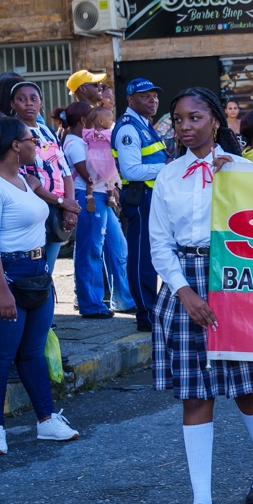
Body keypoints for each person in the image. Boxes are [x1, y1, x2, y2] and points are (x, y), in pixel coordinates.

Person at [150, 88, 253, 504]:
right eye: (179, 119)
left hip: (232, 278)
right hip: (184, 284)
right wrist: (184, 291)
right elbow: (159, 243)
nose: (186, 126)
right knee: (195, 394)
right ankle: (201, 500)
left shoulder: (241, 168)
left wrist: (239, 180)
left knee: (246, 385)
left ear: (214, 121)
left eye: (195, 117)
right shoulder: (167, 176)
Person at [0, 117, 81, 455]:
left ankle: (46, 421)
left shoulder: (24, 180)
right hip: (2, 273)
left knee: (32, 352)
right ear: (16, 145)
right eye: (32, 139)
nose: (38, 144)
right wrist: (1, 290)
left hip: (36, 270)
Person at [114, 78, 166, 333]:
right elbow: (130, 169)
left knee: (153, 255)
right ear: (131, 99)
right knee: (141, 257)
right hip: (139, 197)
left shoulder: (143, 124)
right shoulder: (128, 128)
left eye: (155, 96)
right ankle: (145, 313)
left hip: (151, 197)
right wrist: (167, 168)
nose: (153, 100)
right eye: (146, 96)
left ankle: (153, 308)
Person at [9, 81, 78, 271]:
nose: (28, 103)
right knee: (33, 270)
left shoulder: (47, 131)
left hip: (57, 209)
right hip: (32, 210)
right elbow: (24, 179)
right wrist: (61, 202)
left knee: (49, 267)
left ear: (40, 103)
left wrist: (69, 206)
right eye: (21, 99)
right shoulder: (12, 133)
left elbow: (64, 170)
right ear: (12, 104)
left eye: (33, 99)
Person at [62, 103, 116, 319]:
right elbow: (89, 175)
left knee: (93, 247)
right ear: (84, 121)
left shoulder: (83, 141)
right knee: (89, 249)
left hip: (95, 196)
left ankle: (93, 300)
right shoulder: (74, 143)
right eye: (95, 119)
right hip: (87, 198)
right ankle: (90, 303)